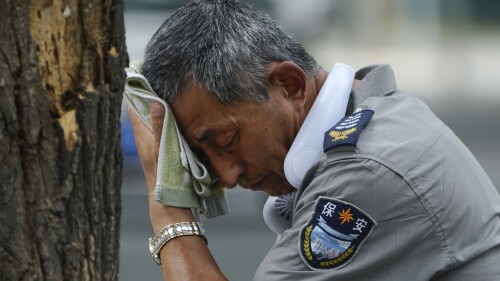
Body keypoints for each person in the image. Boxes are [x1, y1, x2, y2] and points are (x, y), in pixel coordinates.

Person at [128, 0, 500, 280]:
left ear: (290, 85)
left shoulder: (363, 171)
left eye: (226, 139)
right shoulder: (375, 112)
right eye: (201, 155)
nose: (226, 175)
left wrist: (169, 208)